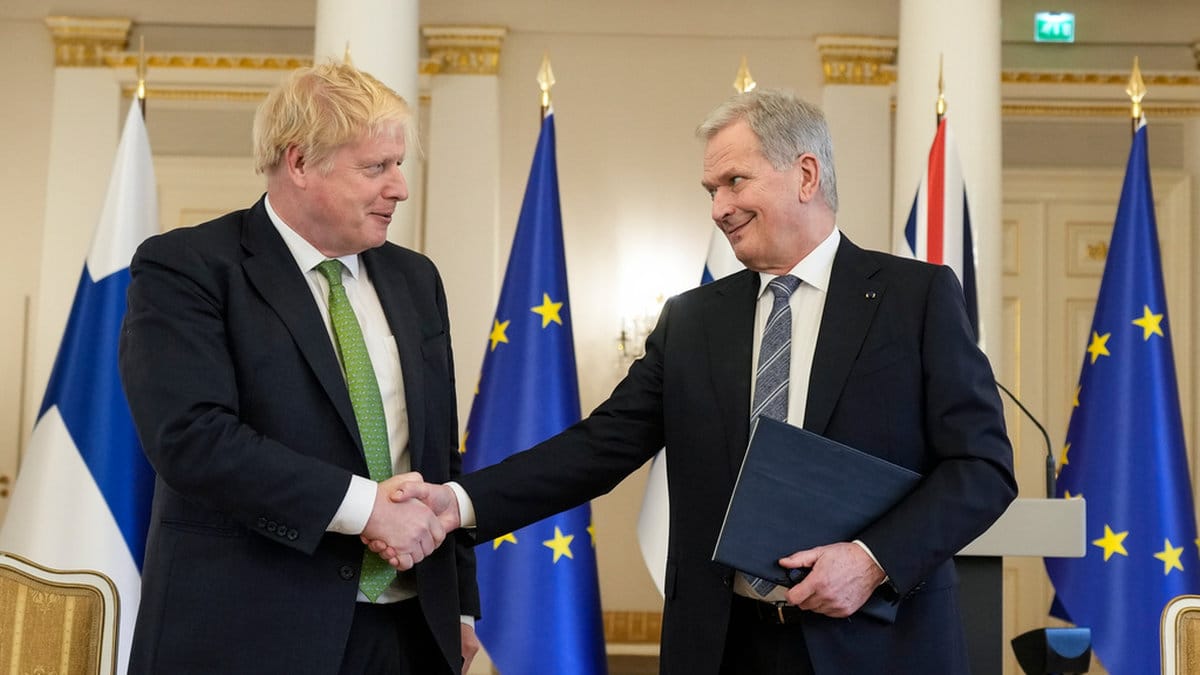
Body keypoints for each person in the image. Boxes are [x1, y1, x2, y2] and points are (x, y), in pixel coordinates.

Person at [382, 88, 1017, 674]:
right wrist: (460, 502)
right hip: (723, 646)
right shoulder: (692, 320)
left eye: (735, 182)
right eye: (711, 190)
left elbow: (982, 468)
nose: (719, 209)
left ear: (806, 175)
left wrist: (872, 561)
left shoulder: (916, 299)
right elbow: (599, 446)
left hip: (880, 644)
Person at [118, 62, 479, 674]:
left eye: (399, 165)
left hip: (410, 632)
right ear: (300, 162)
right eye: (376, 167)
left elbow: (440, 451)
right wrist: (367, 508)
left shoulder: (417, 279)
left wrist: (460, 606)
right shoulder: (188, 267)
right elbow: (192, 439)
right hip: (248, 634)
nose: (400, 187)